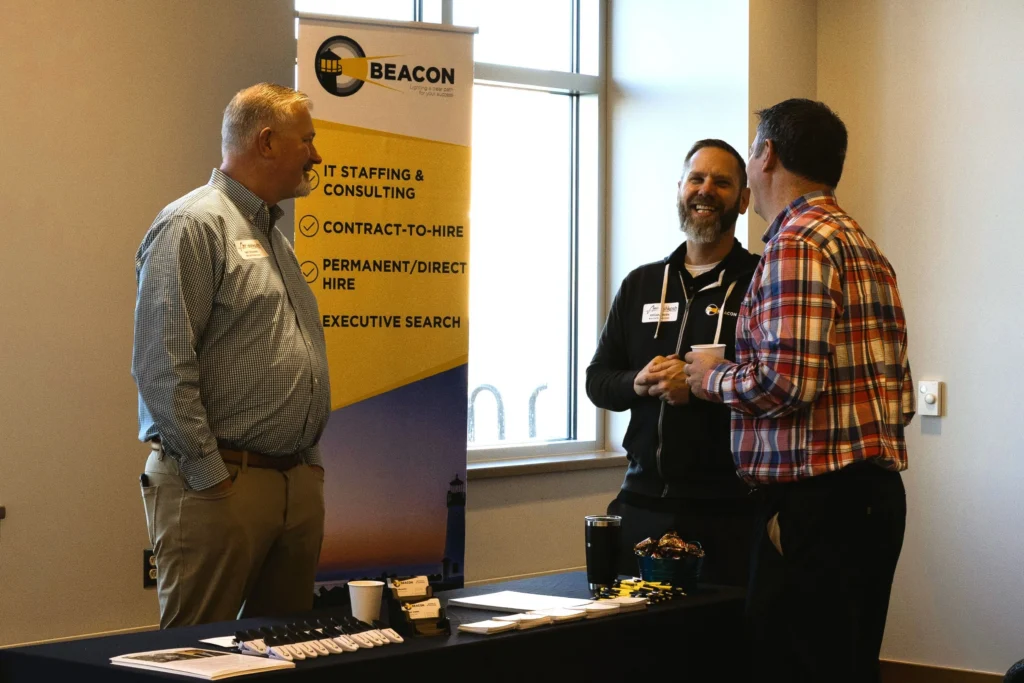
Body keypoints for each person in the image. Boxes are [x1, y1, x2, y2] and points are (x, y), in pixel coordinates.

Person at [683, 99, 914, 683]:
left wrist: (710, 378)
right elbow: (901, 397)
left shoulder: (797, 243)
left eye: (750, 149)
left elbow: (786, 383)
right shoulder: (860, 243)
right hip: (868, 499)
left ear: (767, 155)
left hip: (818, 507)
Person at [132, 83, 331, 628]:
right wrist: (211, 475)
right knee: (200, 655)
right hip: (222, 487)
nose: (315, 155)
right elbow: (162, 364)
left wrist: (307, 465)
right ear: (266, 142)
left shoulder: (272, 236)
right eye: (306, 140)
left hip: (291, 483)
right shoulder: (193, 224)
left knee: (287, 653)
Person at [586, 139, 761, 586]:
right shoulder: (641, 283)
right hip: (641, 502)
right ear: (679, 190)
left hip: (728, 509)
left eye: (722, 182)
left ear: (743, 199)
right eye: (696, 179)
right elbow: (597, 380)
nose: (706, 190)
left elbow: (774, 387)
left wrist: (701, 389)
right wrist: (637, 382)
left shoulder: (760, 283)